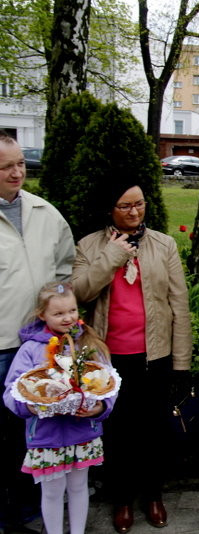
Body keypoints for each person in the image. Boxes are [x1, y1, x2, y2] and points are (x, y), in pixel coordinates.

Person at [71, 181, 192, 533]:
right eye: (125, 206)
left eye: (139, 204)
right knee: (117, 432)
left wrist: (181, 363)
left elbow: (178, 306)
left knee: (153, 430)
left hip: (154, 355)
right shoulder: (90, 245)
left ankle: (153, 495)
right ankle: (121, 499)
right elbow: (79, 293)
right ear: (109, 208)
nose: (135, 212)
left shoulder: (163, 244)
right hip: (108, 358)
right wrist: (111, 257)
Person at [0, 130, 74, 530]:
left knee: (36, 434)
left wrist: (57, 314)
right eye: (7, 167)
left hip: (42, 346)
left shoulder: (45, 212)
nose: (17, 173)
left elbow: (65, 267)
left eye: (21, 164)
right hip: (1, 349)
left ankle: (29, 511)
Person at [3, 282, 117, 534]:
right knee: (52, 491)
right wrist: (31, 408)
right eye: (58, 313)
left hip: (82, 432)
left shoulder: (89, 343)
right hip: (46, 434)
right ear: (42, 314)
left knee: (78, 487)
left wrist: (99, 408)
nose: (67, 318)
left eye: (72, 311)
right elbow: (12, 389)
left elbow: (108, 381)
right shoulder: (31, 348)